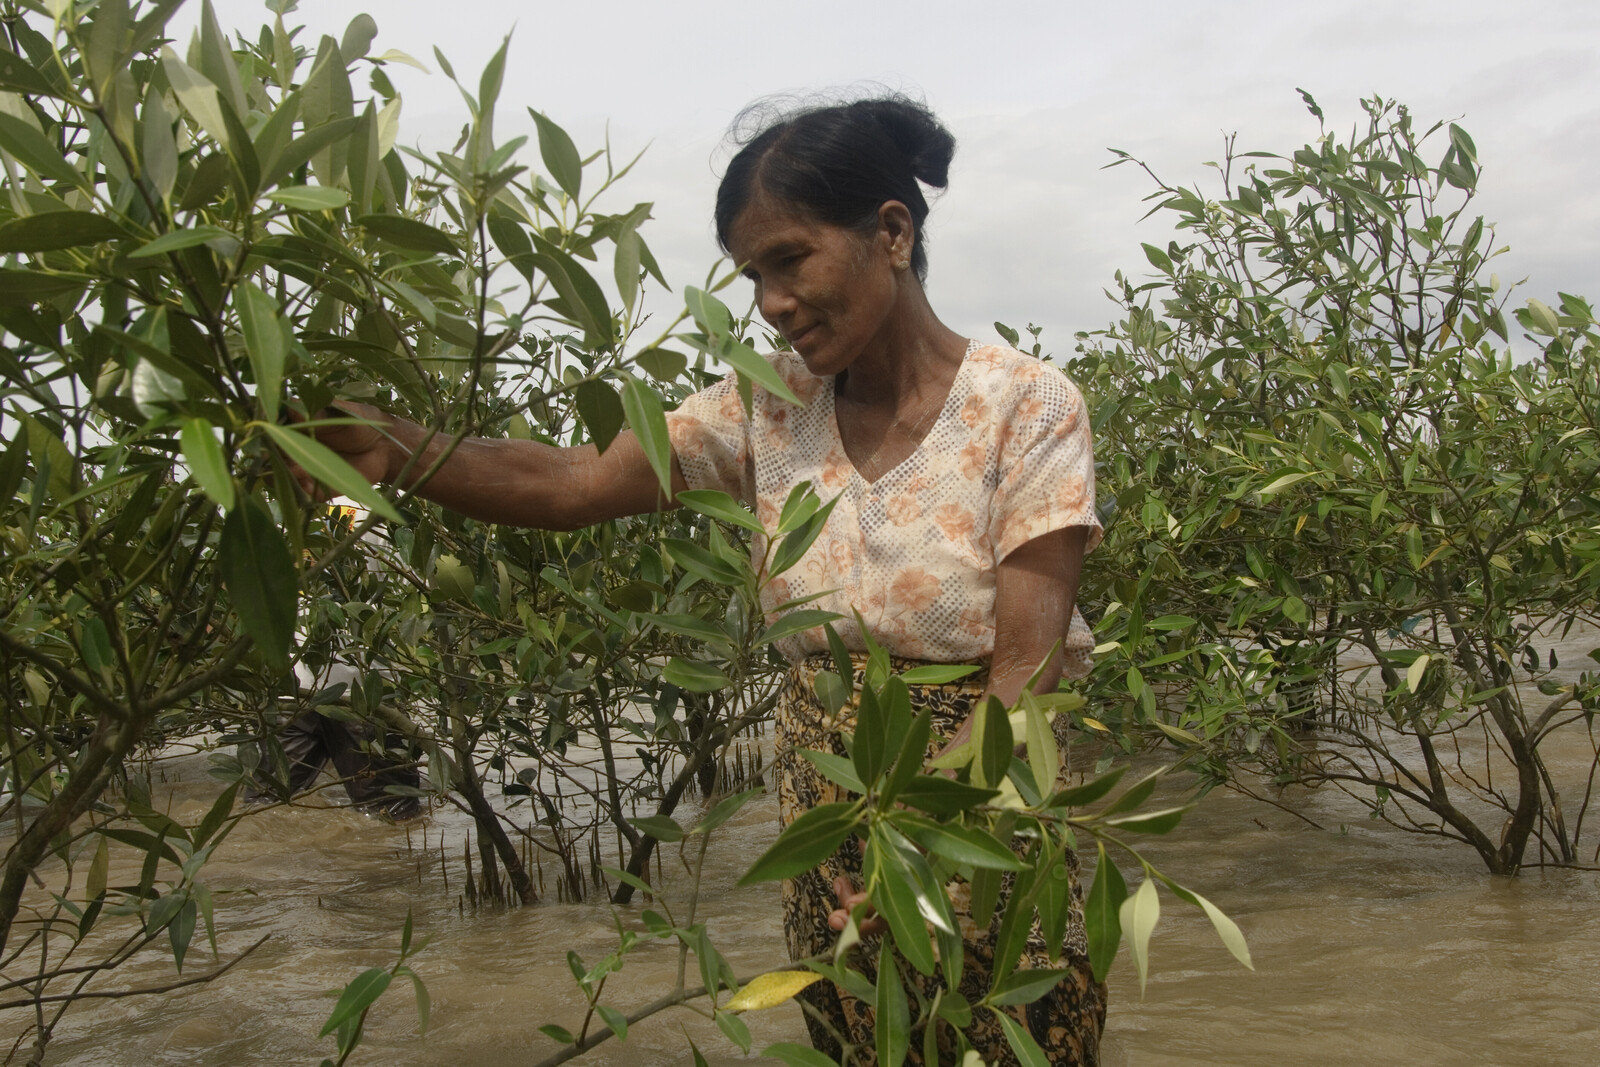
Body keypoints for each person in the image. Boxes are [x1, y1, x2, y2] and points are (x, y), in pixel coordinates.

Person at [304, 94, 1104, 1065]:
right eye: (752, 274)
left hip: (985, 803)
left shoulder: (1026, 405)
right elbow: (580, 480)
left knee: (1010, 1036)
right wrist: (397, 445)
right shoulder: (765, 405)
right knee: (860, 1039)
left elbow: (1025, 674)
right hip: (829, 796)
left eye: (790, 258)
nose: (769, 300)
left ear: (890, 231)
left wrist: (916, 849)